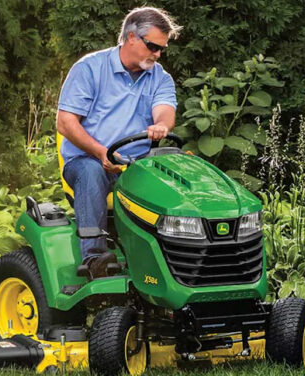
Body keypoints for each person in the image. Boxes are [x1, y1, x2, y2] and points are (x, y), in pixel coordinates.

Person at [56, 7, 182, 278]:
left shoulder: (160, 77)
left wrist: (161, 125)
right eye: (153, 46)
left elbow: (164, 110)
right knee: (91, 171)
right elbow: (65, 123)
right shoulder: (90, 68)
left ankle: (174, 262)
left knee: (175, 175)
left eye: (162, 49)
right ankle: (94, 259)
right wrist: (101, 153)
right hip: (87, 160)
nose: (158, 54)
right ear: (131, 38)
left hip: (136, 165)